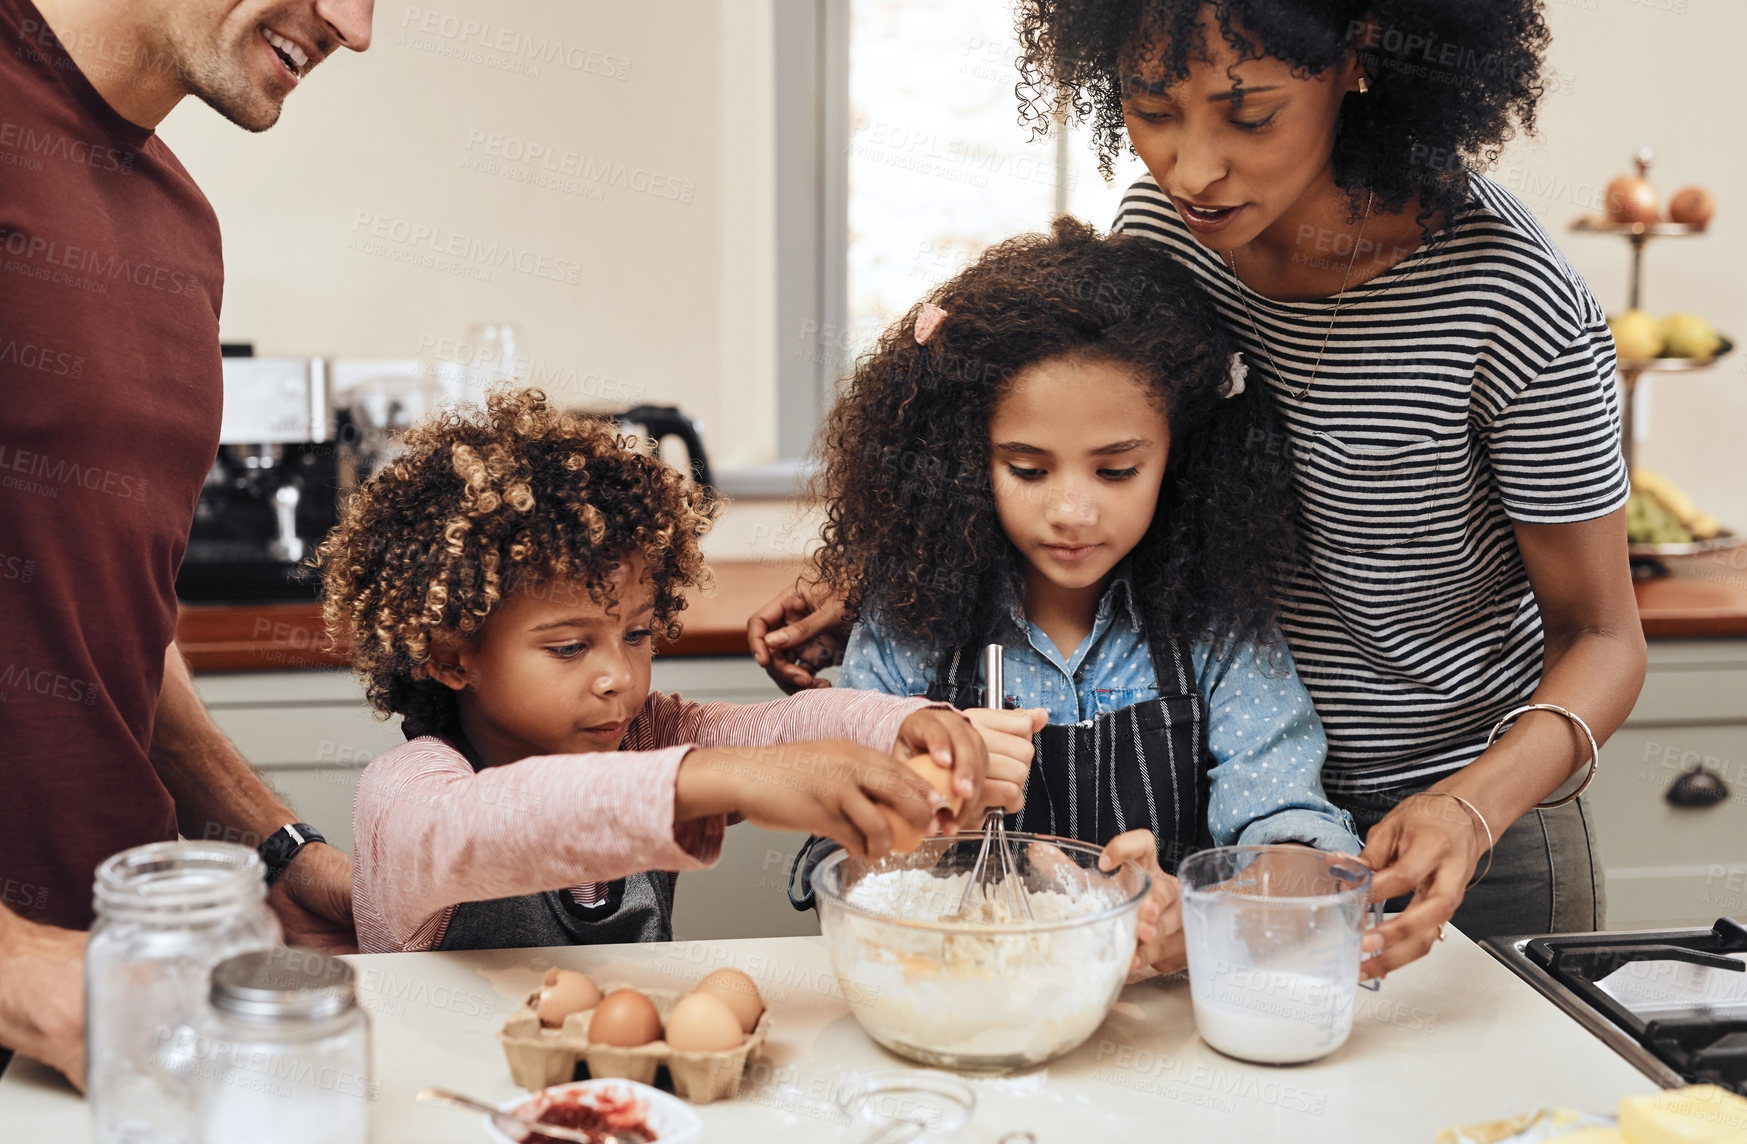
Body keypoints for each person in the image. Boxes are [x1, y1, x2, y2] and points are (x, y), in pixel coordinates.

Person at [751, 0, 1646, 980]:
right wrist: (912, 554)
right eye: (1151, 107)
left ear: (1361, 54)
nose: (1191, 168)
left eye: (1248, 115)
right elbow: (1072, 398)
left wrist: (1472, 805)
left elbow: (1602, 637)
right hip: (1224, 821)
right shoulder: (1169, 233)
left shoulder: (1513, 299)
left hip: (1453, 820)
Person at [782, 220, 1364, 978]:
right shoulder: (908, 628)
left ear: (1179, 458)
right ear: (962, 462)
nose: (1071, 513)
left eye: (1115, 471)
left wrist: (1203, 913)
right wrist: (923, 804)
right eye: (1027, 469)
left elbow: (1306, 856)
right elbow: (842, 871)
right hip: (957, 999)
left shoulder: (1214, 632)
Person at [0, 0, 374, 1088]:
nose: (354, 28)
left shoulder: (181, 225)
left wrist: (278, 844)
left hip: (111, 990)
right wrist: (17, 963)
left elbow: (102, 607)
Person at [318, 391, 989, 952]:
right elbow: (479, 828)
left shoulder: (648, 735)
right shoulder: (405, 793)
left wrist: (904, 725)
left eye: (635, 634)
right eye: (568, 648)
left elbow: (788, 727)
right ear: (450, 655)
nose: (619, 677)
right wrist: (712, 778)